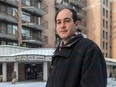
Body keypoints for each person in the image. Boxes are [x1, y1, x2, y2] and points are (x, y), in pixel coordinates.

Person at [46, 7, 107, 87]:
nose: (62, 26)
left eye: (67, 21)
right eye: (59, 22)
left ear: (76, 24)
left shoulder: (89, 49)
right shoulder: (58, 52)